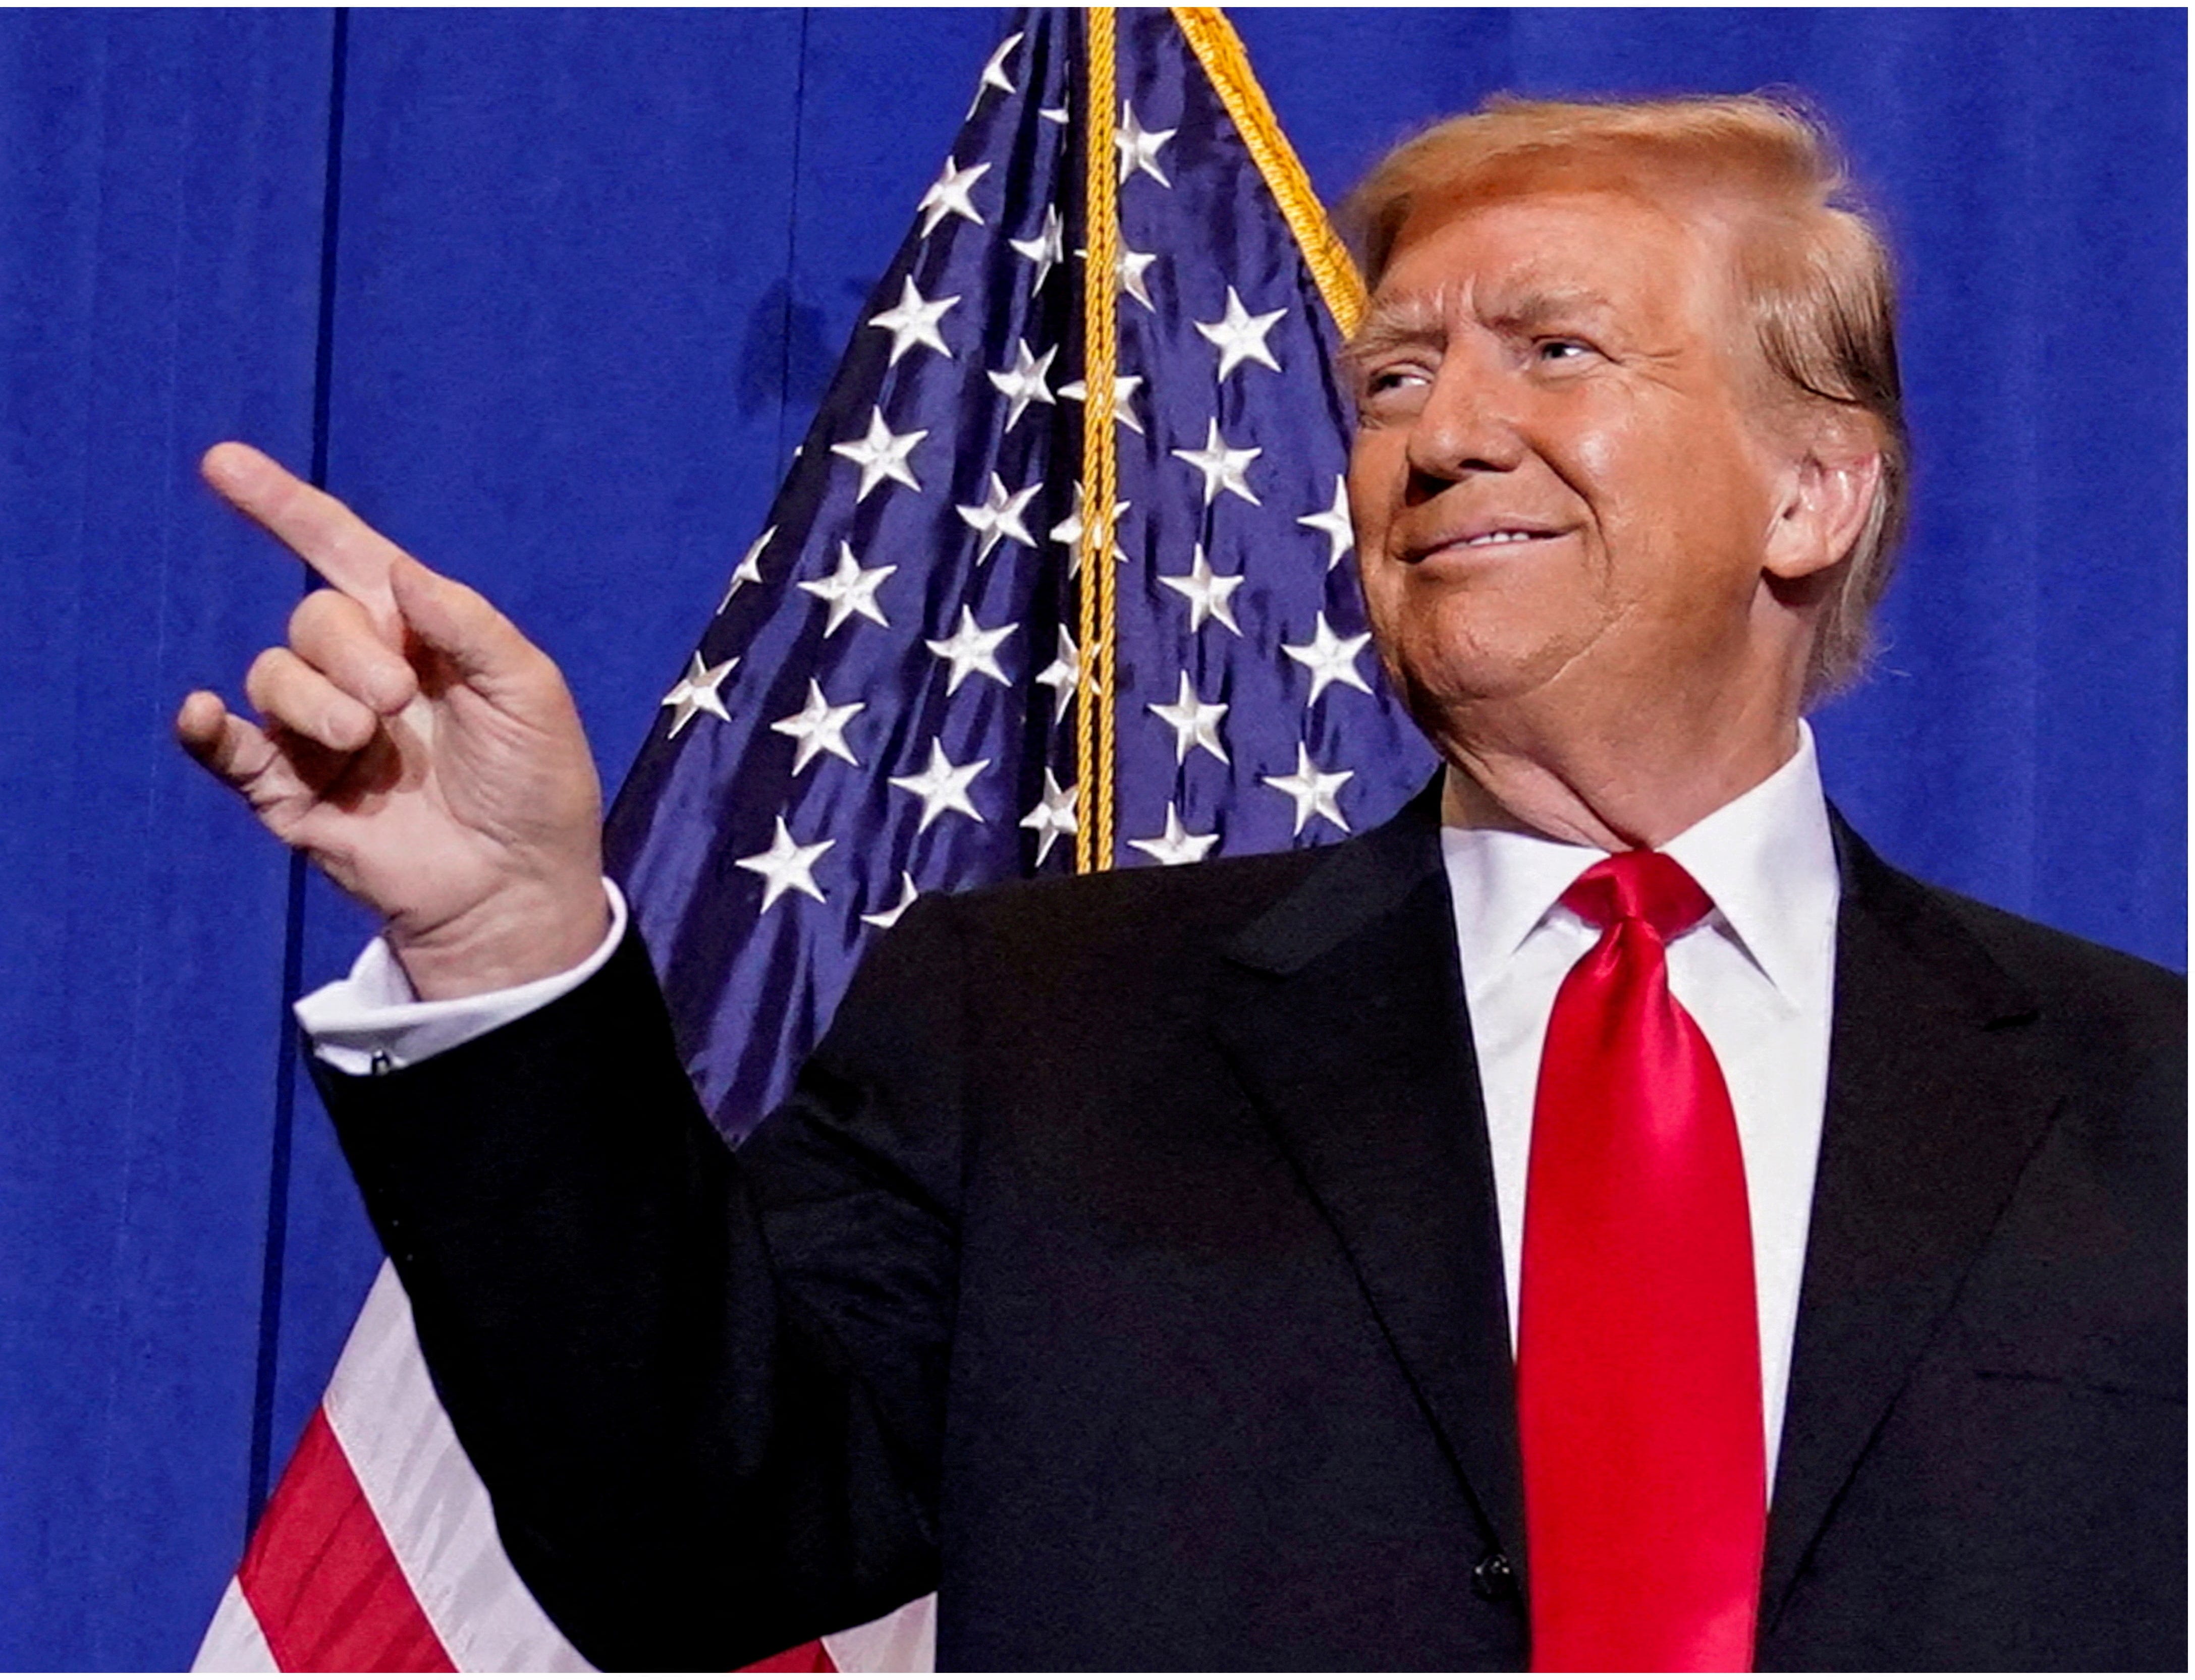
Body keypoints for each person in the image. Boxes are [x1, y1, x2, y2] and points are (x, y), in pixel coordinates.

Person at [172, 94, 2178, 1670]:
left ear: (1812, 489)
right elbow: (684, 1537)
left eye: (1550, 348)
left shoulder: (2140, 1095)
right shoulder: (1033, 1026)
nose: (1439, 432)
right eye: (1389, 377)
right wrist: (501, 934)